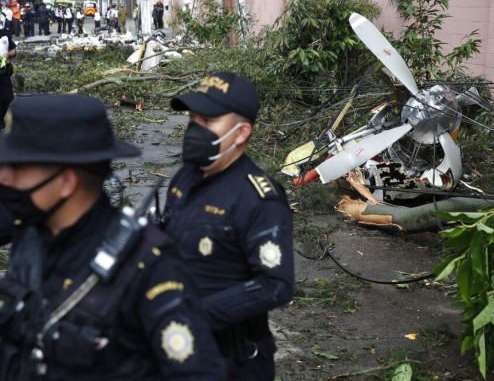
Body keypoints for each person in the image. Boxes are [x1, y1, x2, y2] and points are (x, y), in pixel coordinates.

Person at [0, 94, 226, 380]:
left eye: (17, 167)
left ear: (67, 182)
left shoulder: (148, 268)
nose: (3, 177)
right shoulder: (31, 233)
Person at [164, 72, 294, 380]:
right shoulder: (185, 178)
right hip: (179, 349)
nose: (195, 129)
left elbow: (276, 285)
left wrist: (196, 314)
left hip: (234, 359)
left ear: (240, 133)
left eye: (208, 122)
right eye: (193, 119)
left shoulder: (259, 198)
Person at [0, 24, 15, 130]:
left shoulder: (5, 35)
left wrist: (8, 55)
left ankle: (1, 118)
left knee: (8, 98)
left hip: (4, 72)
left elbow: (14, 51)